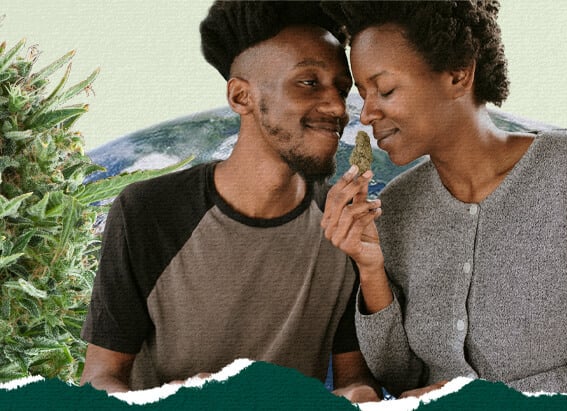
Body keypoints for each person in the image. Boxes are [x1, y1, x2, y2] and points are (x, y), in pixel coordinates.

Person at [320, 0, 567, 397]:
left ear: (458, 74)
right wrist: (371, 268)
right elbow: (403, 379)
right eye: (363, 94)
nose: (366, 114)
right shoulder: (395, 206)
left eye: (385, 89)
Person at [79, 1, 380, 401]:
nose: (337, 107)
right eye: (308, 82)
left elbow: (354, 381)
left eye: (341, 89)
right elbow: (98, 380)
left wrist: (359, 398)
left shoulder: (342, 224)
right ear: (241, 97)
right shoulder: (147, 213)